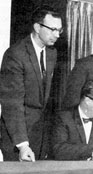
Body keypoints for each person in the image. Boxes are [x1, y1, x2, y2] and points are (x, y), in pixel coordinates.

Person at [0, 5, 63, 161]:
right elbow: (12, 103)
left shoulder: (51, 53)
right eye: (52, 29)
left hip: (41, 136)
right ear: (37, 27)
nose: (57, 35)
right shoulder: (15, 54)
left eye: (59, 30)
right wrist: (22, 145)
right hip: (18, 138)